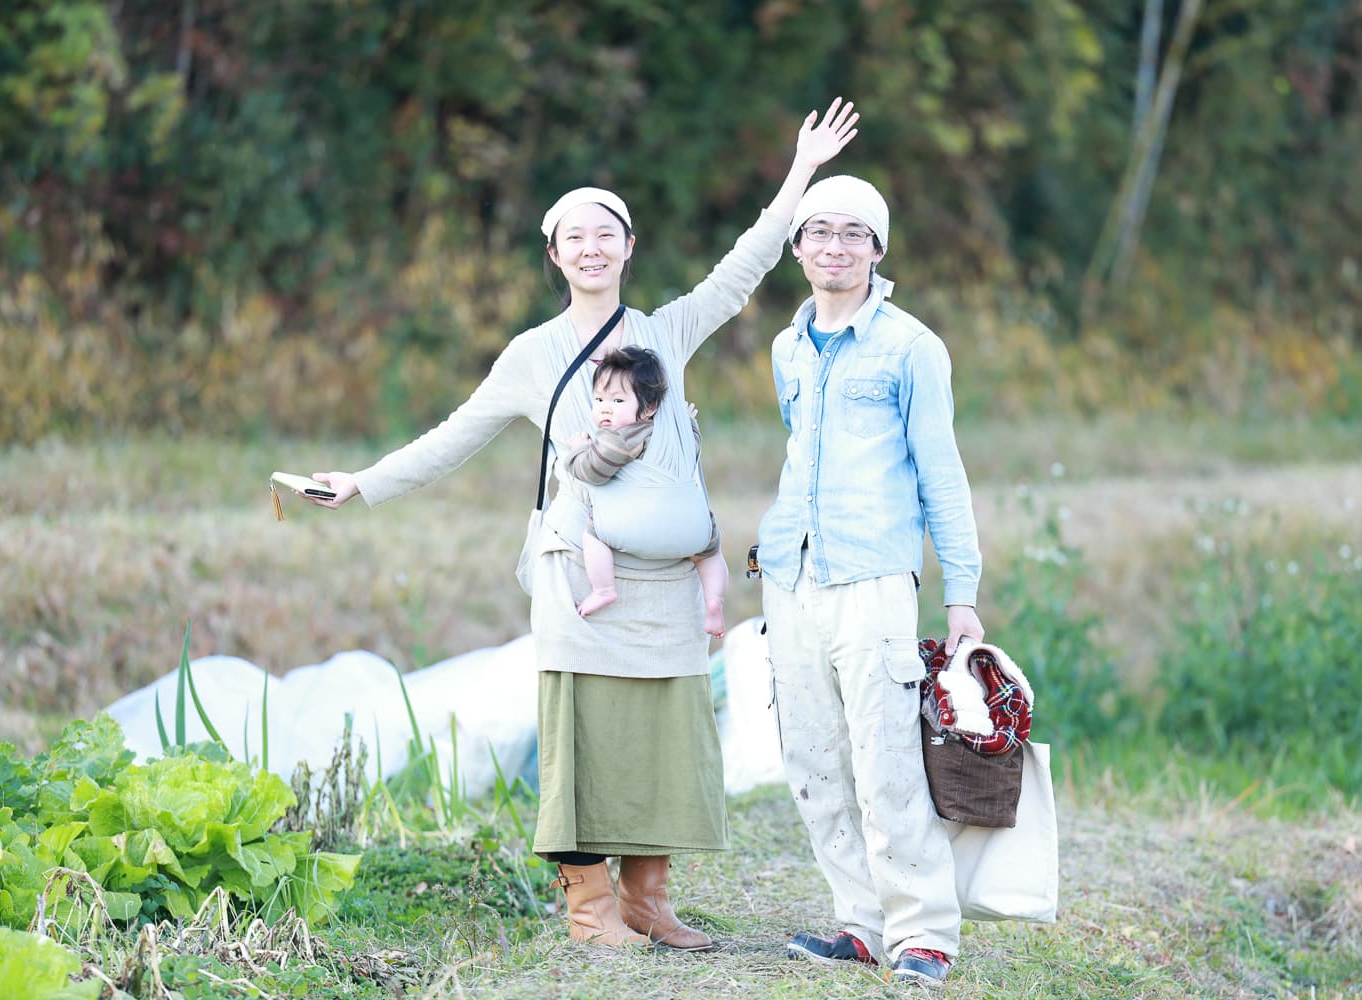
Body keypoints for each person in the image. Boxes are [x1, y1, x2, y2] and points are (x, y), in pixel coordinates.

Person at [304, 100, 860, 951]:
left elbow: (745, 266)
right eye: (575, 236)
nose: (592, 247)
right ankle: (590, 909)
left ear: (629, 248)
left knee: (667, 736)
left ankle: (648, 899)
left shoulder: (667, 331)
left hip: (669, 584)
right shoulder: (531, 355)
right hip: (581, 580)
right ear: (554, 254)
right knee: (583, 738)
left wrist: (802, 170)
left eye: (608, 232)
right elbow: (456, 436)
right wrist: (363, 484)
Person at [755, 175, 985, 985]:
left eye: (854, 234)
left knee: (886, 760)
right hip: (790, 577)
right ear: (797, 247)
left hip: (876, 578)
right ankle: (858, 922)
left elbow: (942, 474)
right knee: (814, 760)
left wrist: (961, 592)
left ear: (879, 249)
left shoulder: (911, 347)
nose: (835, 248)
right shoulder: (787, 347)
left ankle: (923, 932)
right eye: (820, 232)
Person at [564, 346, 731, 638]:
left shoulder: (622, 437)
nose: (605, 407)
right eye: (600, 399)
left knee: (592, 533)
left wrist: (577, 451)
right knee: (711, 552)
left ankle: (603, 589)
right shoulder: (672, 436)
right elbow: (691, 445)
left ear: (650, 407)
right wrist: (688, 423)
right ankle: (714, 601)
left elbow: (593, 470)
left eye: (617, 400)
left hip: (633, 528)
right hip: (691, 531)